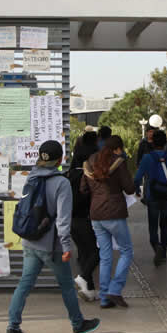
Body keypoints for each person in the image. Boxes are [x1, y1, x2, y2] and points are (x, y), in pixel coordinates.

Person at [4, 140, 101, 333]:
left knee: (24, 284)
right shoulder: (61, 183)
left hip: (31, 242)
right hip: (52, 245)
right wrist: (66, 247)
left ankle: (12, 328)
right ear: (61, 159)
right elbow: (63, 220)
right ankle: (78, 324)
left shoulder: (32, 176)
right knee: (66, 285)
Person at [81, 135, 136, 309]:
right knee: (126, 251)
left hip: (96, 214)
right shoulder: (118, 162)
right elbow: (129, 188)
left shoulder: (90, 162)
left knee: (105, 256)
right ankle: (115, 289)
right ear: (117, 149)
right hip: (114, 213)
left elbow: (83, 188)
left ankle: (104, 298)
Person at [134, 130, 167, 266]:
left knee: (153, 226)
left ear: (152, 142)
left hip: (152, 196)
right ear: (165, 143)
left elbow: (137, 178)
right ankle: (164, 253)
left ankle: (156, 247)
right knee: (164, 224)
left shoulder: (147, 158)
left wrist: (137, 189)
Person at [69, 129, 100, 301]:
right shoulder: (88, 175)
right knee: (99, 251)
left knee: (83, 253)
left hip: (71, 219)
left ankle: (89, 290)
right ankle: (83, 278)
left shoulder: (70, 173)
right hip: (86, 218)